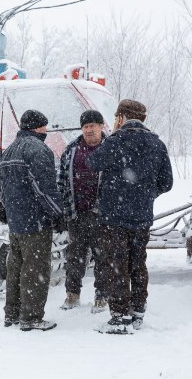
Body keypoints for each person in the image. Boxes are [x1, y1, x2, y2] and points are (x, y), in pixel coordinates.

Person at [86, 99, 173, 333]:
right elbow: (167, 183)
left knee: (118, 265)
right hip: (142, 217)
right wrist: (146, 194)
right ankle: (138, 310)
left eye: (116, 117)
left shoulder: (116, 141)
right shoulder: (157, 144)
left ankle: (119, 316)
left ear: (122, 117)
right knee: (138, 263)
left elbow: (92, 162)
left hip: (114, 217)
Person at [0, 109, 64, 332]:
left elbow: (2, 192)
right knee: (35, 269)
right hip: (35, 222)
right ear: (37, 127)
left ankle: (12, 314)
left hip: (15, 221)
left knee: (15, 268)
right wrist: (58, 213)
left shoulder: (7, 152)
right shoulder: (38, 149)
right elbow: (44, 189)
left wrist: (12, 212)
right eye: (44, 127)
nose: (46, 131)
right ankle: (31, 317)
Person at [57, 110, 108, 313]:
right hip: (75, 214)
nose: (89, 130)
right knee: (74, 257)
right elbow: (61, 181)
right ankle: (72, 295)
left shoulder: (109, 149)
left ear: (101, 127)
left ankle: (102, 296)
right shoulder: (71, 150)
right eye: (86, 126)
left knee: (103, 257)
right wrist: (63, 209)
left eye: (93, 126)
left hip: (102, 215)